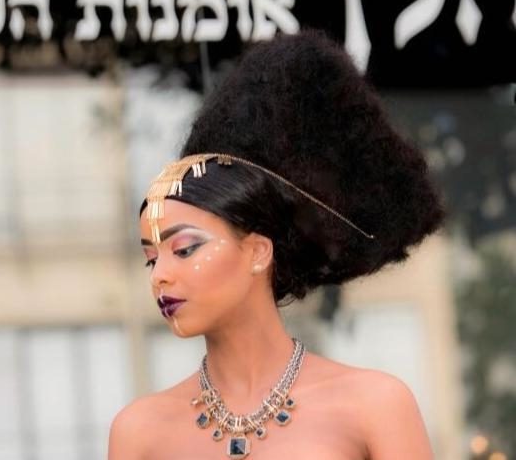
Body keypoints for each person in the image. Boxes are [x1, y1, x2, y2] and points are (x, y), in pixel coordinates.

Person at [108, 28, 446, 459]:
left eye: (185, 249)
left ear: (257, 251)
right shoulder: (138, 432)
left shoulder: (375, 405)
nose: (160, 276)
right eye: (150, 259)